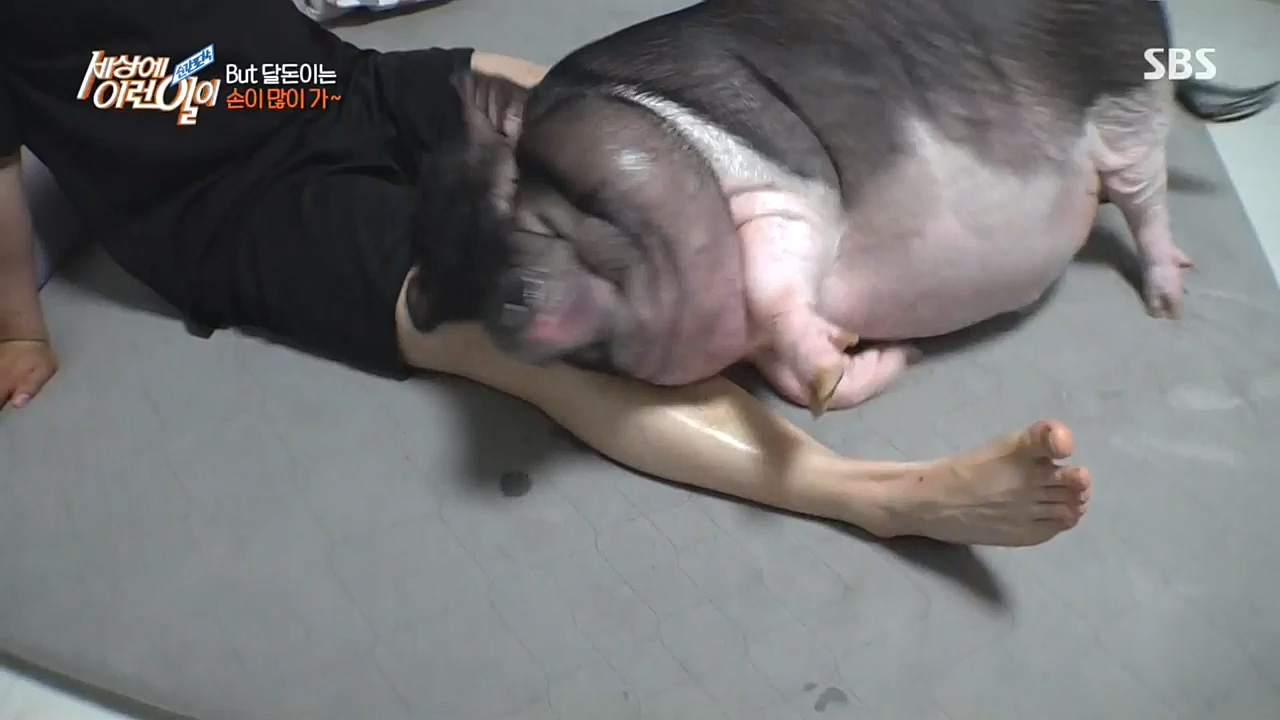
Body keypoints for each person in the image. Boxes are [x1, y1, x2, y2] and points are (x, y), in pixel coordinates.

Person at [0, 0, 1090, 547]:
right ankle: (878, 499)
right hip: (229, 205)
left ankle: (788, 292)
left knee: (595, 111)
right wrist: (18, 327)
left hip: (332, 83)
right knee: (508, 318)